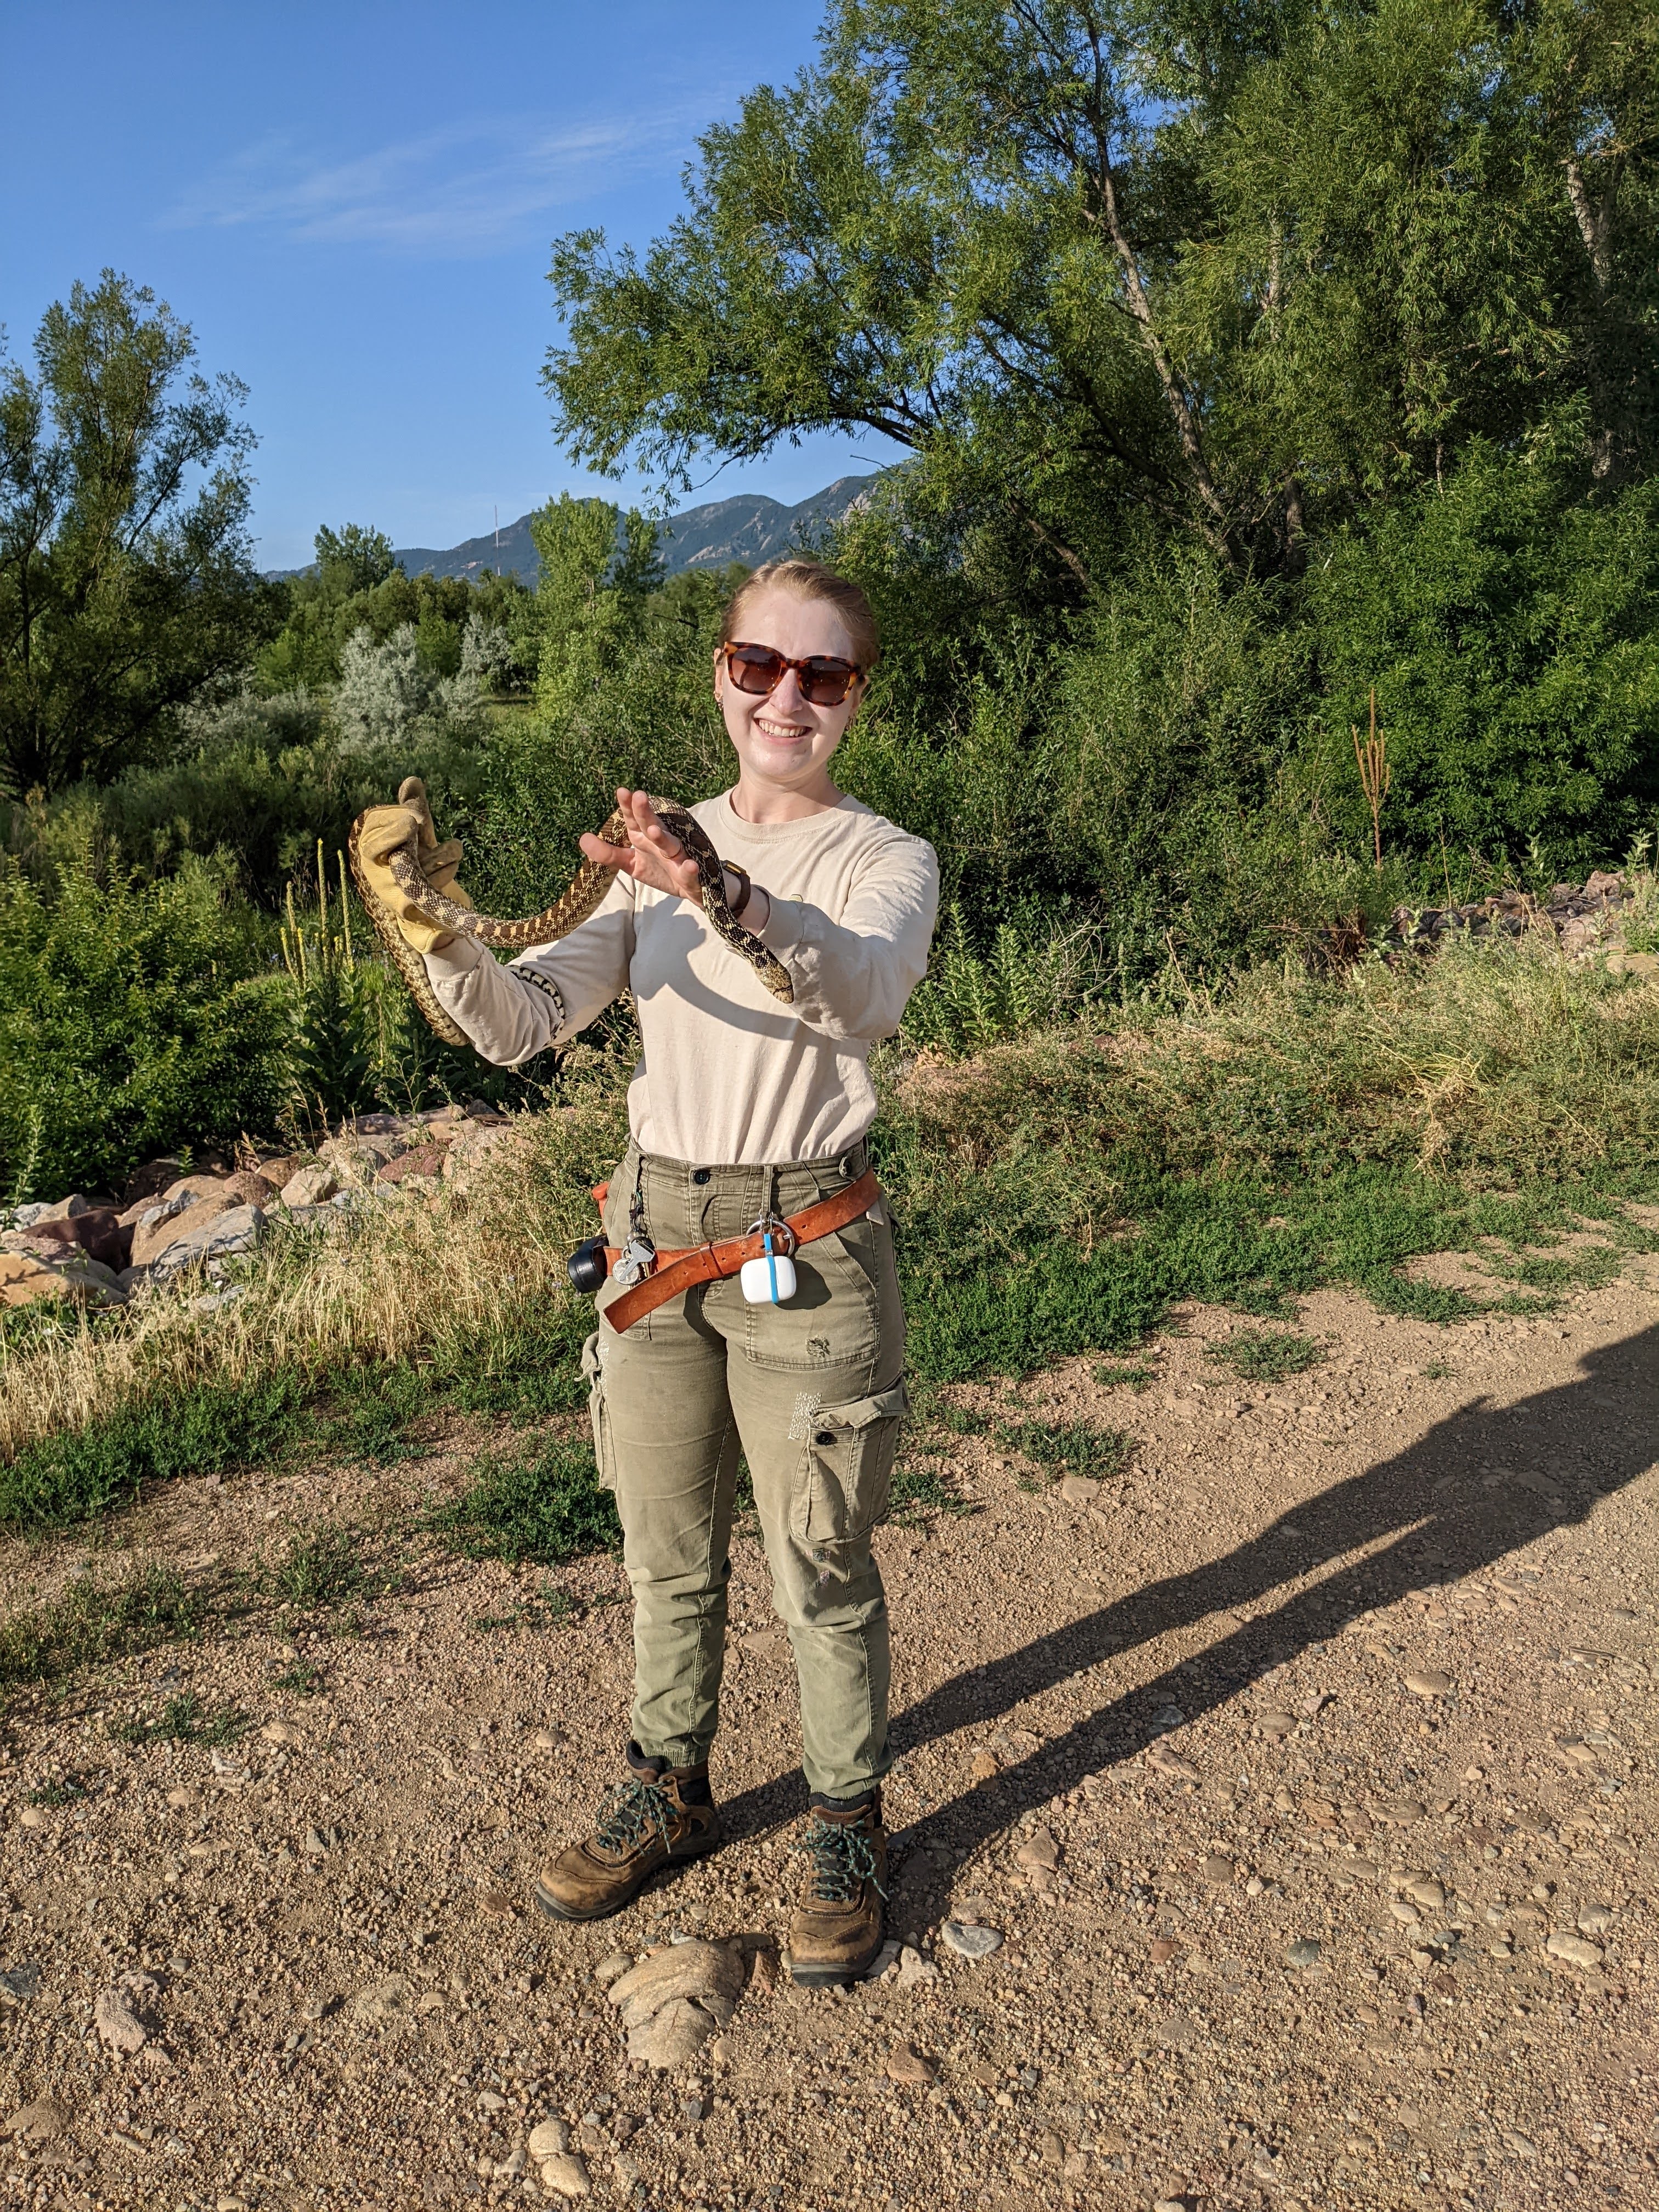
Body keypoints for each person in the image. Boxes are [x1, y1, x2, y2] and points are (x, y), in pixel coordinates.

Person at [354, 560, 939, 1984]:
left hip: (809, 1235)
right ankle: (669, 1785)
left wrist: (719, 886)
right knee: (664, 1554)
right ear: (722, 673)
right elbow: (525, 1018)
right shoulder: (656, 857)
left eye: (825, 676)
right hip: (657, 1240)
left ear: (857, 695)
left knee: (818, 1562)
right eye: (760, 666)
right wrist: (435, 927)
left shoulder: (883, 860)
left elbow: (851, 998)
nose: (786, 698)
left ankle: (845, 1818)